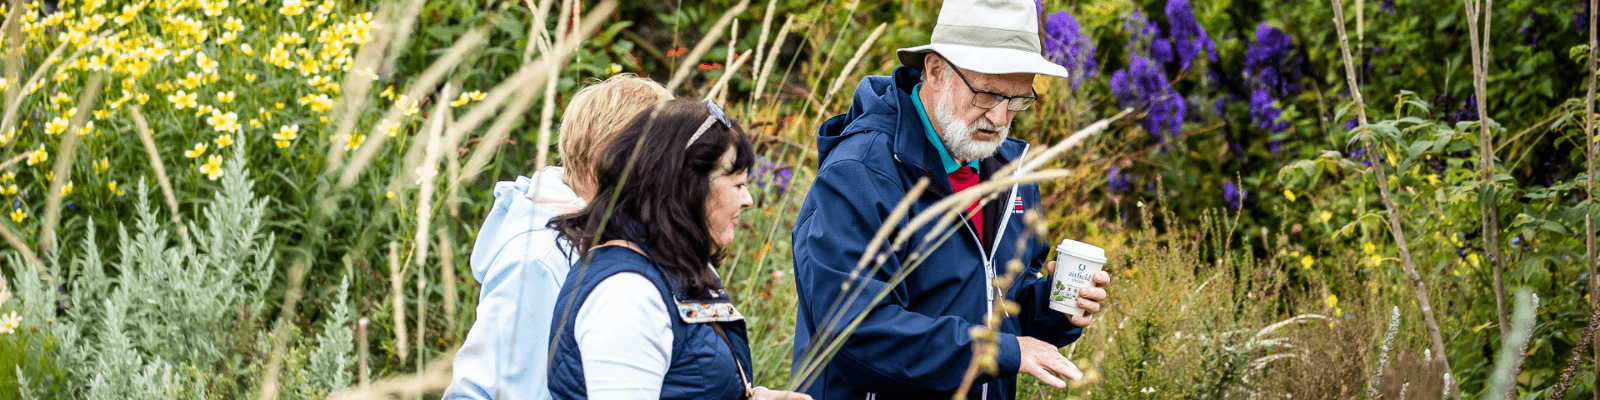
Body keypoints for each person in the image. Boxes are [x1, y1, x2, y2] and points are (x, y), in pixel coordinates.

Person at [789, 1, 1113, 399]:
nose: (998, 118)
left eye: (1017, 100)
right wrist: (997, 351)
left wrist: (1054, 306)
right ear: (936, 71)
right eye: (986, 94)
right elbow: (854, 331)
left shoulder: (1010, 170)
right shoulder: (860, 172)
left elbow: (1000, 301)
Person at [545, 99, 811, 400]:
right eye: (737, 185)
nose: (748, 199)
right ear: (688, 188)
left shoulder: (667, 270)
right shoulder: (626, 296)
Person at [444, 73, 672, 400]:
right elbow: (479, 392)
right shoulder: (541, 261)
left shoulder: (612, 244)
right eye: (666, 159)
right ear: (611, 163)